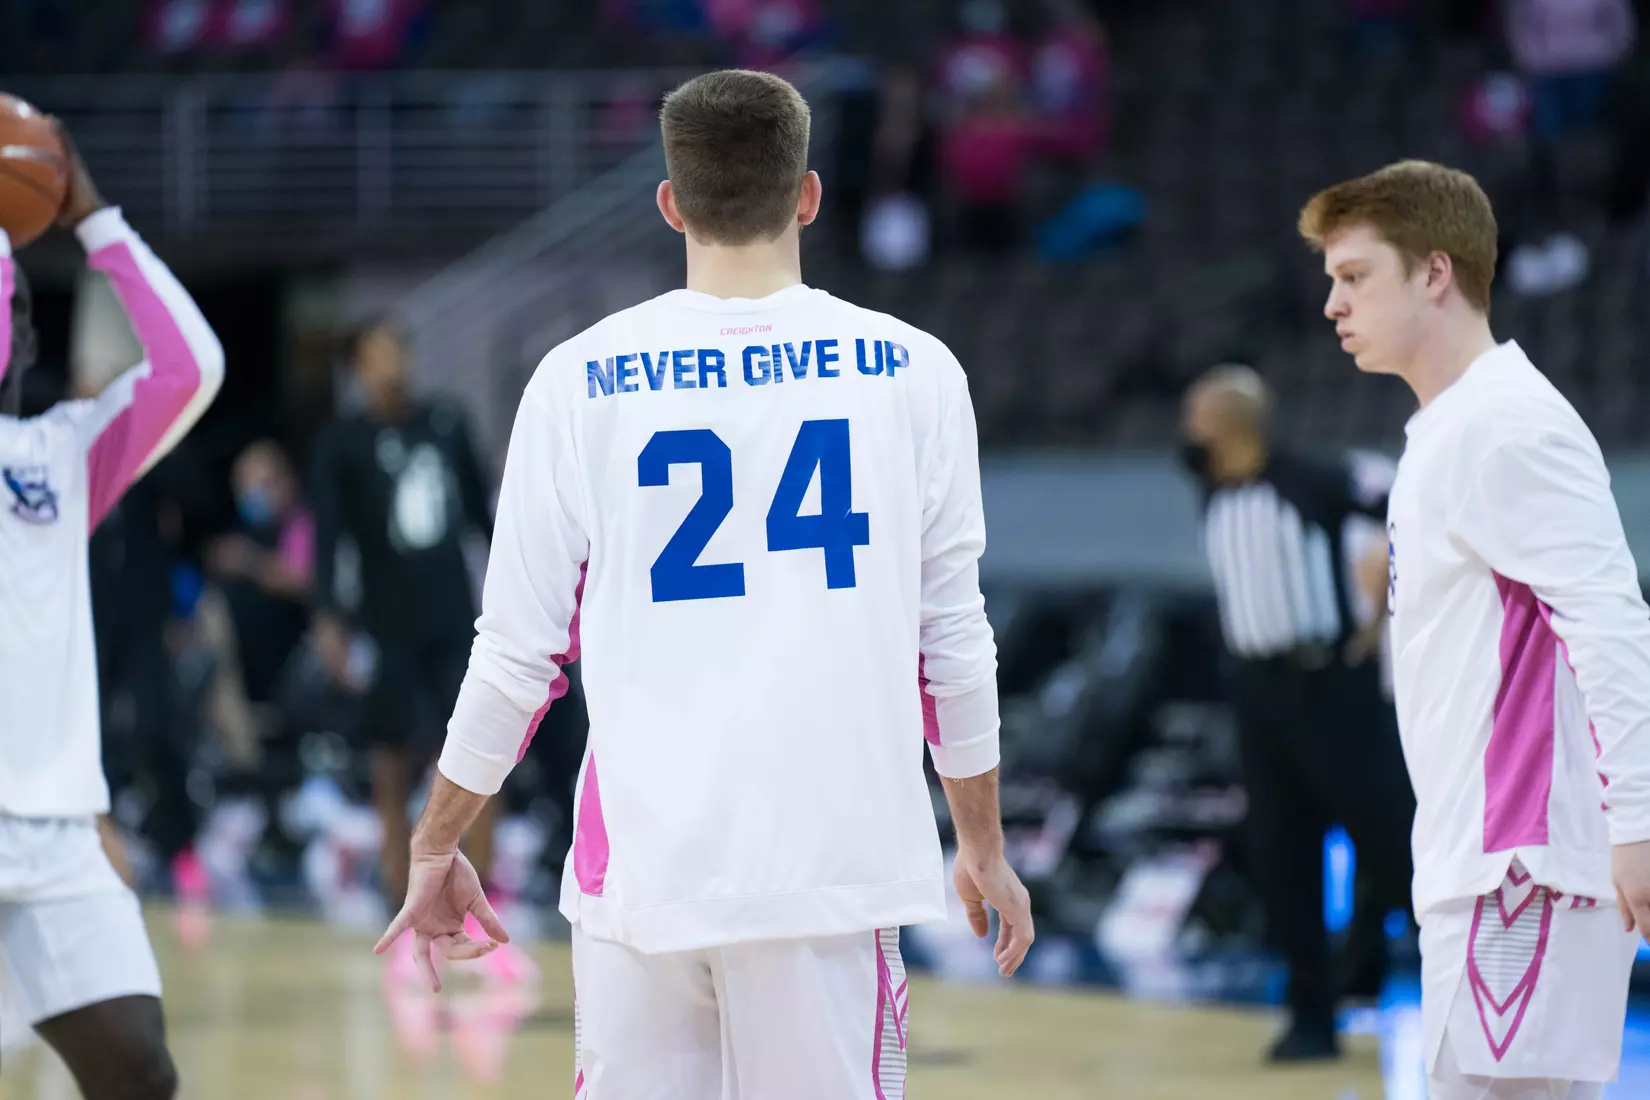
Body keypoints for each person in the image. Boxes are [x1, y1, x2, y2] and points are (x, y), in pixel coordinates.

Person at [375, 68, 1034, 1099]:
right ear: (808, 195)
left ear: (671, 202)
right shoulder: (916, 371)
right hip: (828, 874)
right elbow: (950, 637)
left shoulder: (577, 378)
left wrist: (435, 837)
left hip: (644, 876)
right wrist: (983, 843)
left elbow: (517, 652)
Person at [1300, 159, 1650, 1100]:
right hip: (1483, 858)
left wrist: (1642, 821)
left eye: (1355, 275)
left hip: (1522, 864)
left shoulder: (1507, 425)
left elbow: (1613, 622)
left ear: (1436, 273)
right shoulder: (1452, 429)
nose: (1333, 302)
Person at [0, 123, 225, 1099]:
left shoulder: (58, 453)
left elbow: (190, 368)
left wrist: (92, 215)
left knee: (140, 1069)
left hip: (55, 829)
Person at [1177, 363, 1415, 1063]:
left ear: (1226, 423)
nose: (1184, 434)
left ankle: (1466, 986)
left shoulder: (1313, 481)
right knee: (1283, 857)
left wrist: (1380, 620)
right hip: (1256, 695)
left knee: (1393, 842)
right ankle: (1312, 1017)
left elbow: (1404, 510)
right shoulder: (1213, 493)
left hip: (1328, 685)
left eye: (1194, 418)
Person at [309, 318, 498, 924]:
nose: (390, 366)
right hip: (387, 621)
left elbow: (484, 517)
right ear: (358, 369)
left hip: (453, 617)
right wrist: (328, 621)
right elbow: (328, 539)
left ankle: (485, 887)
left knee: (479, 752)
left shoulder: (446, 421)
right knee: (389, 762)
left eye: (398, 352)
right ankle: (401, 892)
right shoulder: (342, 442)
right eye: (376, 356)